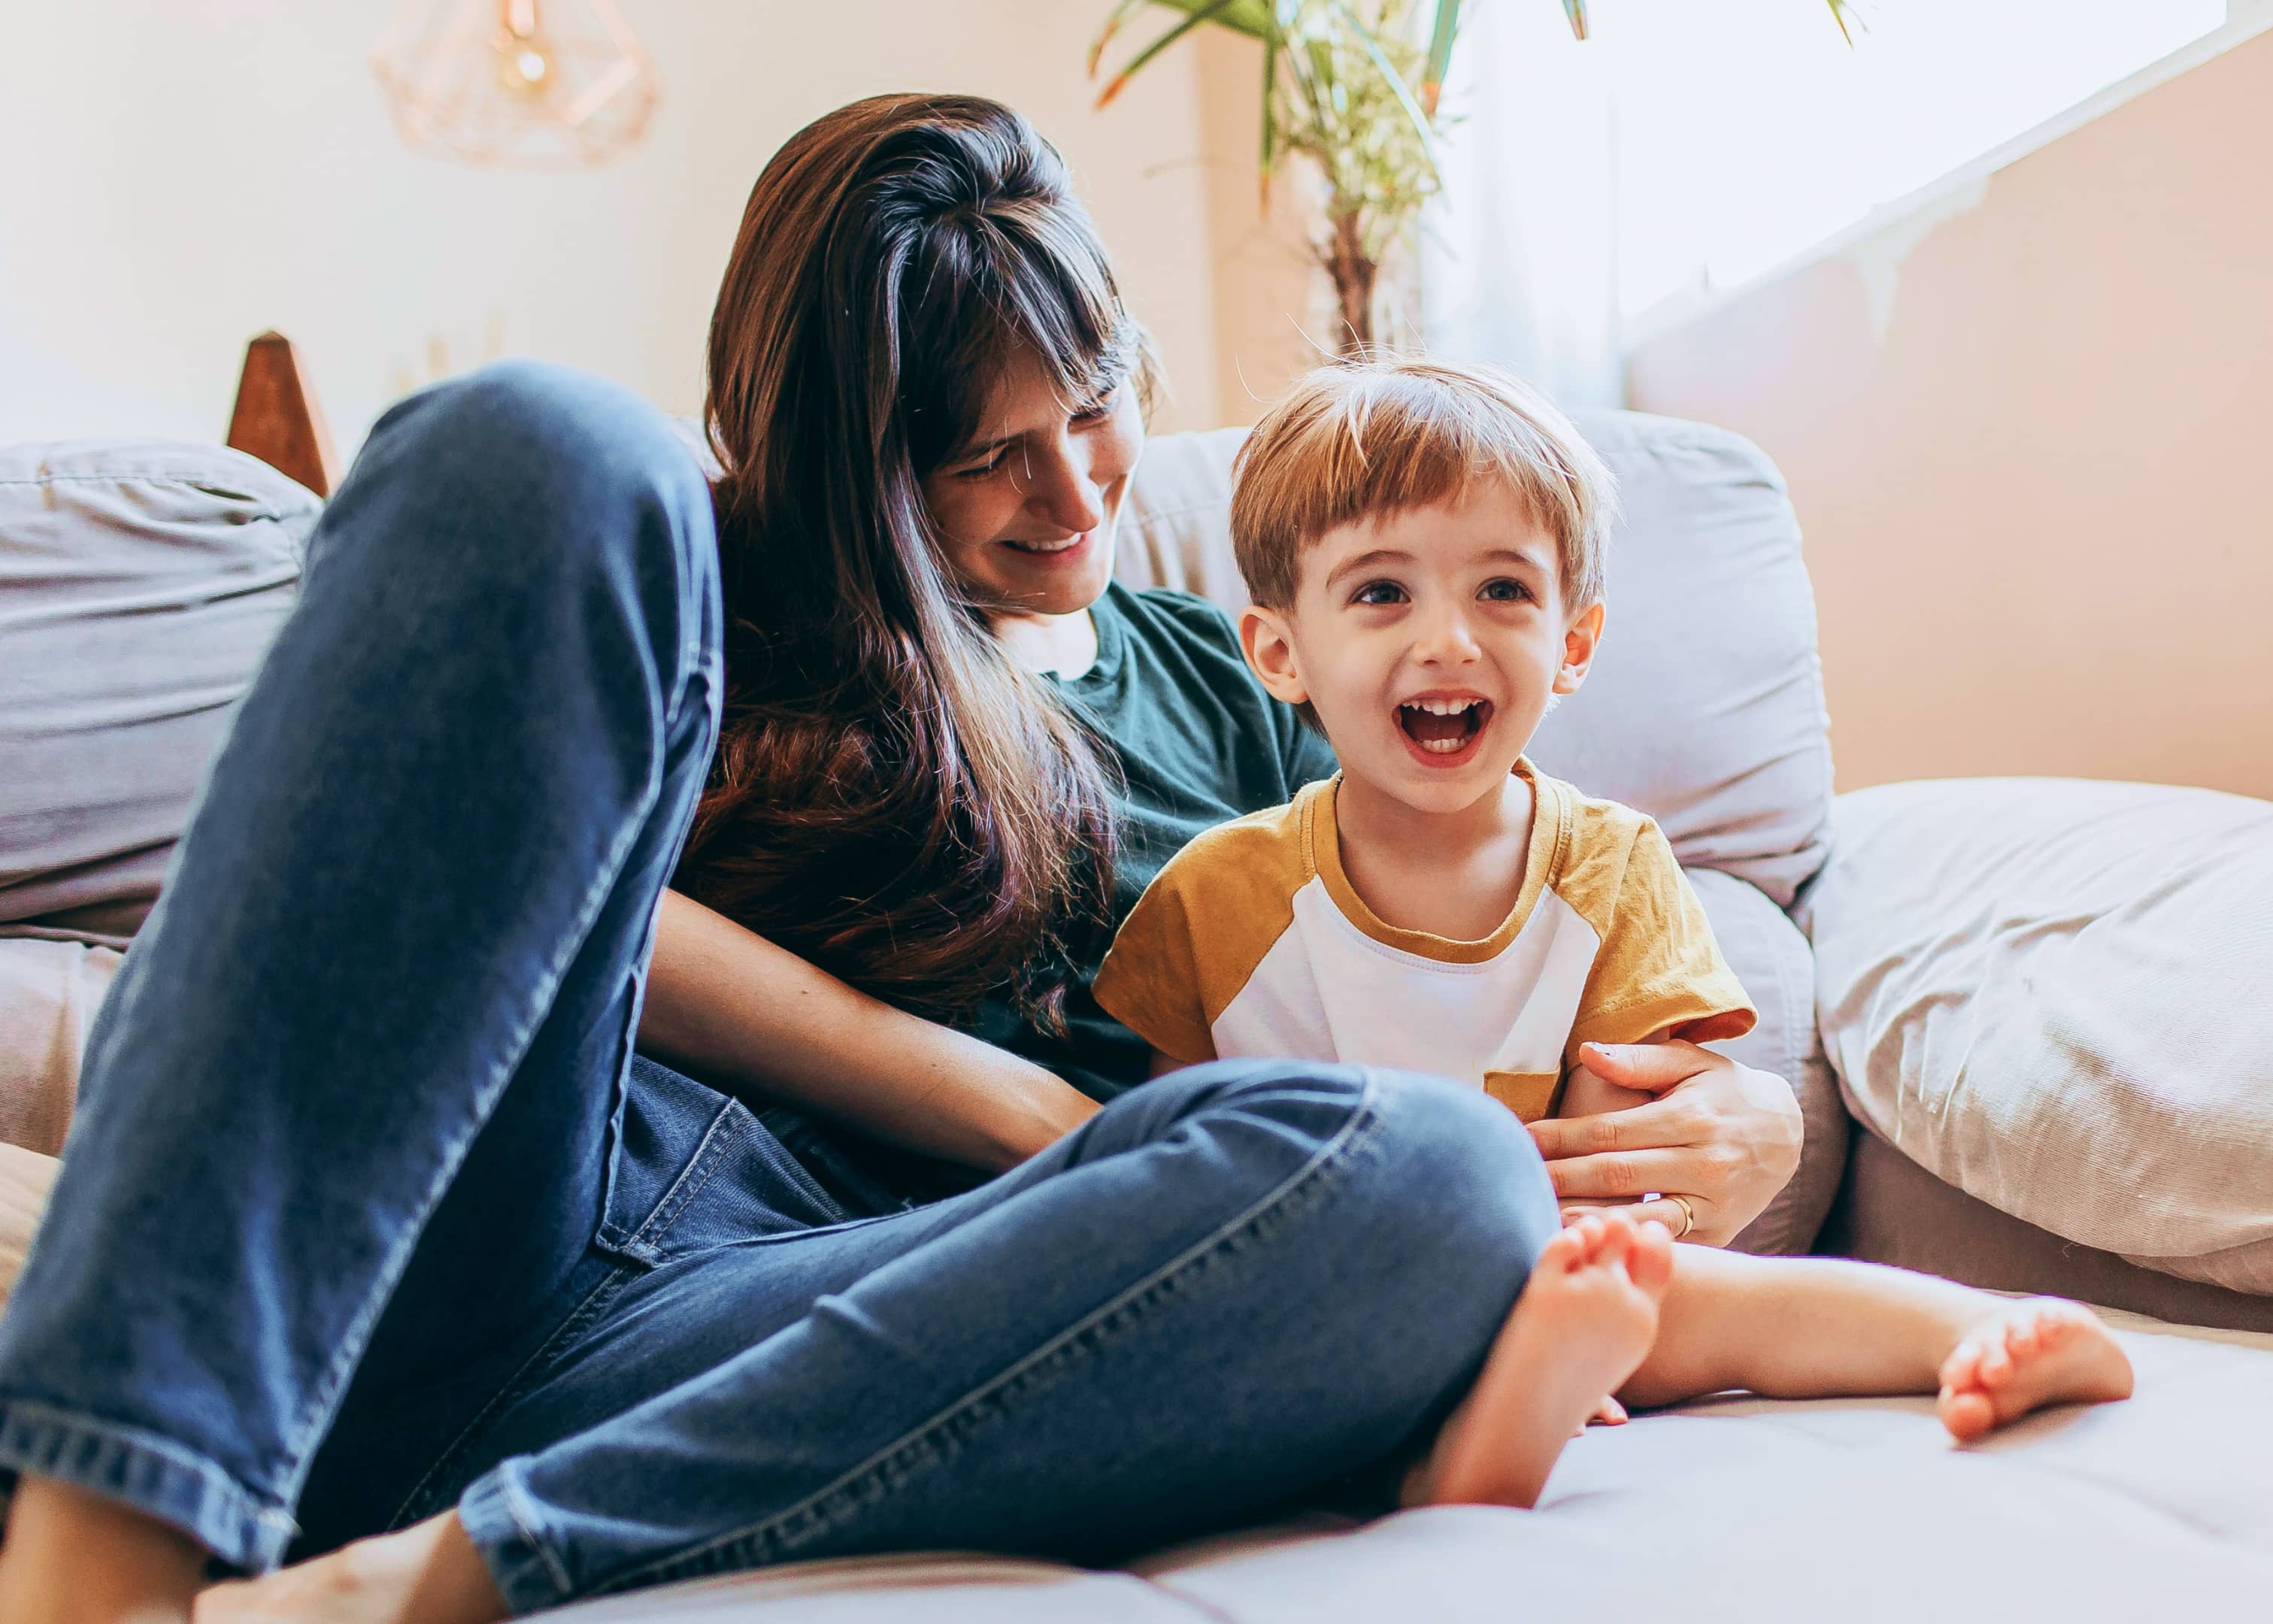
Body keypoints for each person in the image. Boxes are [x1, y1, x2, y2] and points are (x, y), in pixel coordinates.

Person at [0, 96, 1805, 1622]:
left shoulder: (1246, 683)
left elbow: (1476, 984)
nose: (1079, 492)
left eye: (1093, 403)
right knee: (537, 439)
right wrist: (998, 1101)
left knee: (1436, 1184)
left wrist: (1749, 1121)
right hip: (519, 1213)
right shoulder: (690, 597)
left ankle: (440, 1569)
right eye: (981, 460)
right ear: (861, 467)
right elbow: (443, 903)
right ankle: (107, 1542)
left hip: (886, 1329)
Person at [1094, 356, 2138, 1507]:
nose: (1449, 640)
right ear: (1280, 652)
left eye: (1503, 592)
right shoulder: (1213, 895)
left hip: (1556, 1271)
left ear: (1575, 643)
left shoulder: (1610, 865)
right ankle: (1477, 1433)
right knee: (1252, 1341)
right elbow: (1169, 1157)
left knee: (1690, 1297)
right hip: (1324, 1300)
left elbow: (1623, 1156)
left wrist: (1573, 1282)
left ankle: (1978, 1328)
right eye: (1383, 593)